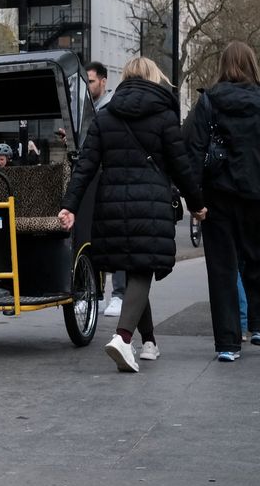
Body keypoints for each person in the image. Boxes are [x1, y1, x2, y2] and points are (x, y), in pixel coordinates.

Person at [58, 56, 206, 372]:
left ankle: (149, 341)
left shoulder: (105, 117)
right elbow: (181, 167)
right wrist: (196, 203)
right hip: (150, 202)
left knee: (136, 265)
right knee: (142, 269)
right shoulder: (165, 117)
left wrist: (69, 205)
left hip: (112, 201)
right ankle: (124, 338)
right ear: (154, 78)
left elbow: (84, 166)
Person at [183, 41, 260, 361]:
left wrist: (194, 199)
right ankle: (257, 324)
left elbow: (193, 150)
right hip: (256, 194)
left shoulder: (209, 102)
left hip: (219, 194)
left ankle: (228, 343)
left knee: (223, 268)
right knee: (256, 260)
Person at [87, 61, 128, 316]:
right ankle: (98, 293)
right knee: (94, 236)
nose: (87, 86)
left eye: (90, 81)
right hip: (94, 177)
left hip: (111, 177)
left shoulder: (113, 107)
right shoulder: (86, 109)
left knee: (118, 236)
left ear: (103, 80)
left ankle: (120, 294)